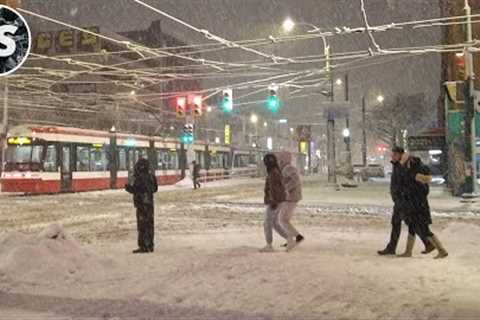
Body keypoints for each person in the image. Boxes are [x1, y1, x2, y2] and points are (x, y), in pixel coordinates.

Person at [378, 146, 434, 256]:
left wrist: (402, 195)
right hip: (400, 200)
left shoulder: (403, 166)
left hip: (404, 200)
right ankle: (393, 247)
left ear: (399, 155)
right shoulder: (397, 165)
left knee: (412, 224)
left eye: (394, 154)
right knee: (398, 223)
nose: (392, 156)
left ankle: (429, 244)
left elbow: (407, 182)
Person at [398, 152, 448, 259]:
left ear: (409, 162)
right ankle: (408, 251)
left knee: (424, 229)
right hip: (416, 204)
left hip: (418, 206)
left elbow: (421, 189)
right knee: (412, 227)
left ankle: (441, 250)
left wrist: (409, 193)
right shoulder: (413, 171)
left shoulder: (414, 172)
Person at [125, 158, 158, 254]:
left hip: (141, 204)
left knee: (142, 226)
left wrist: (127, 187)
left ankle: (143, 246)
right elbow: (155, 189)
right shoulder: (151, 176)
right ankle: (150, 245)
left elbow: (135, 189)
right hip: (150, 204)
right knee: (150, 225)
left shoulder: (138, 177)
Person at [259, 154, 288, 253]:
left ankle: (269, 245)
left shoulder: (273, 173)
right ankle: (291, 239)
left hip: (275, 201)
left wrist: (273, 201)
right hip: (279, 200)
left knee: (267, 223)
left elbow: (274, 189)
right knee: (275, 223)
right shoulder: (276, 171)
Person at [277, 151, 304, 252]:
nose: (279, 161)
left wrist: (285, 189)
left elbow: (296, 180)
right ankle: (292, 239)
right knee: (284, 219)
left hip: (291, 197)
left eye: (280, 158)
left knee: (282, 219)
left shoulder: (288, 168)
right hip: (291, 197)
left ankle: (295, 238)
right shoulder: (286, 168)